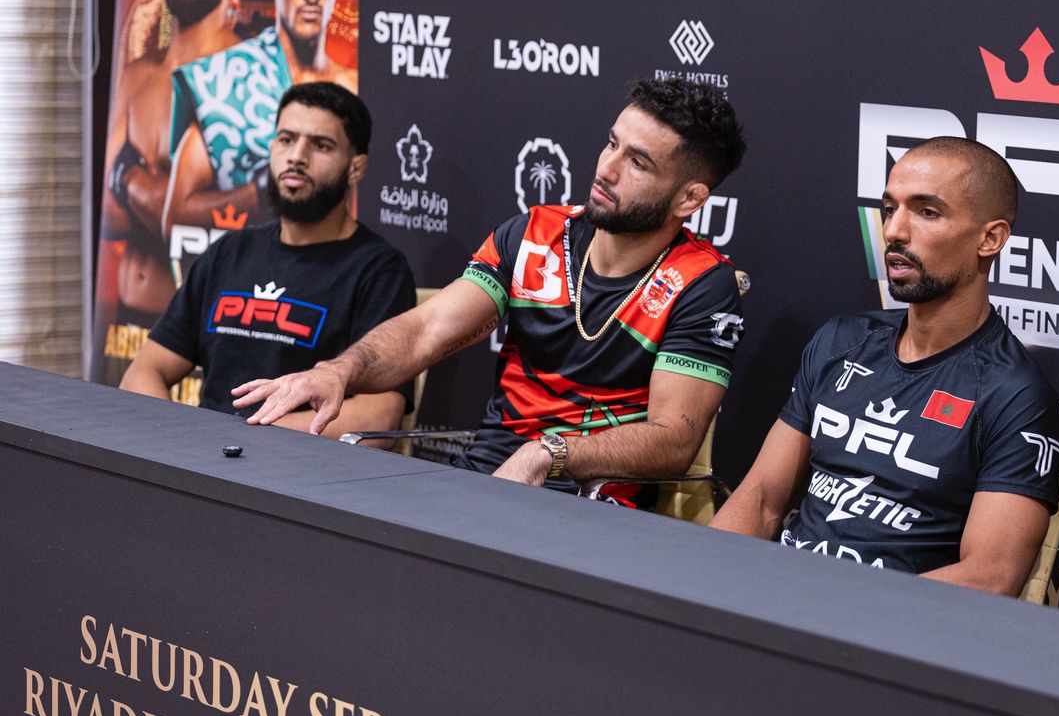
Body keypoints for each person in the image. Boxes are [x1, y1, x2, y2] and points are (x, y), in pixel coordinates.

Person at [232, 79, 748, 496]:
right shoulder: (533, 234)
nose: (606, 169)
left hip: (592, 504)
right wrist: (338, 371)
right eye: (611, 144)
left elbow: (673, 440)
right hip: (482, 482)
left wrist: (549, 453)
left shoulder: (702, 283)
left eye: (638, 162)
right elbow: (429, 330)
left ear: (689, 198)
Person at [711, 138, 1059, 596]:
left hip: (890, 623)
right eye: (889, 209)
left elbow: (990, 577)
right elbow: (760, 500)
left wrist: (834, 605)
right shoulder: (842, 340)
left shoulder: (1015, 395)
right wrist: (700, 581)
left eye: (927, 212)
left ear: (990, 239)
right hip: (779, 593)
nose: (894, 231)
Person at [121, 83, 416, 439]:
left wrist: (239, 442)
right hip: (199, 458)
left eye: (321, 145)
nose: (297, 156)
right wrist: (179, 439)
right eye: (287, 139)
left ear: (356, 168)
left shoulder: (379, 271)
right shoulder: (229, 252)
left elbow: (379, 417)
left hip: (297, 466)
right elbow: (144, 372)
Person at [165, 0, 358, 236]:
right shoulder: (224, 82)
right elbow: (176, 214)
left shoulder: (356, 90)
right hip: (251, 263)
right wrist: (262, 192)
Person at [101, 0, 246, 321]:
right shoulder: (138, 74)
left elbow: (220, 224)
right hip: (123, 323)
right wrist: (164, 197)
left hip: (194, 331)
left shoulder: (243, 80)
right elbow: (106, 217)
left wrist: (125, 176)